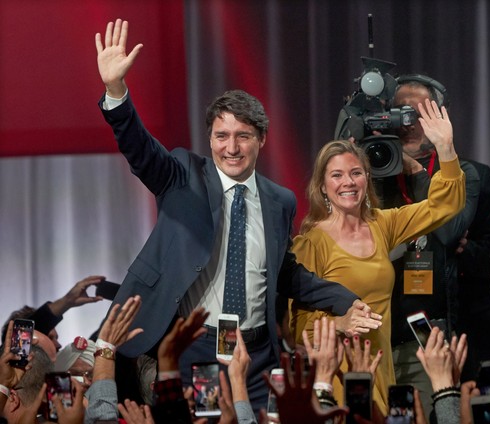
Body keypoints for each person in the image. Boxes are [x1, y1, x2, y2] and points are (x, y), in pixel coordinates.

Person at [94, 19, 382, 414]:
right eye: (221, 136)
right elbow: (139, 149)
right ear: (210, 138)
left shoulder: (280, 200)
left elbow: (287, 274)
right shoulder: (182, 175)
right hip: (195, 346)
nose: (231, 147)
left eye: (242, 135)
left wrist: (345, 301)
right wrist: (116, 91)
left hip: (257, 352)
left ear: (261, 139)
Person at [289, 95, 466, 415]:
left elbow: (445, 205)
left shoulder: (382, 225)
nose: (348, 183)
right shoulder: (310, 243)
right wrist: (340, 322)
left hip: (381, 372)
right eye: (337, 175)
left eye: (355, 173)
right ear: (322, 186)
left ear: (367, 177)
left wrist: (445, 148)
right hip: (337, 377)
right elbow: (297, 327)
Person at [374, 74, 480, 414]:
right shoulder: (374, 173)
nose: (406, 123)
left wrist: (417, 171)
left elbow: (448, 233)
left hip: (426, 337)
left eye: (416, 114)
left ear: (439, 118)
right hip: (377, 332)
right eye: (398, 113)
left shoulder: (463, 172)